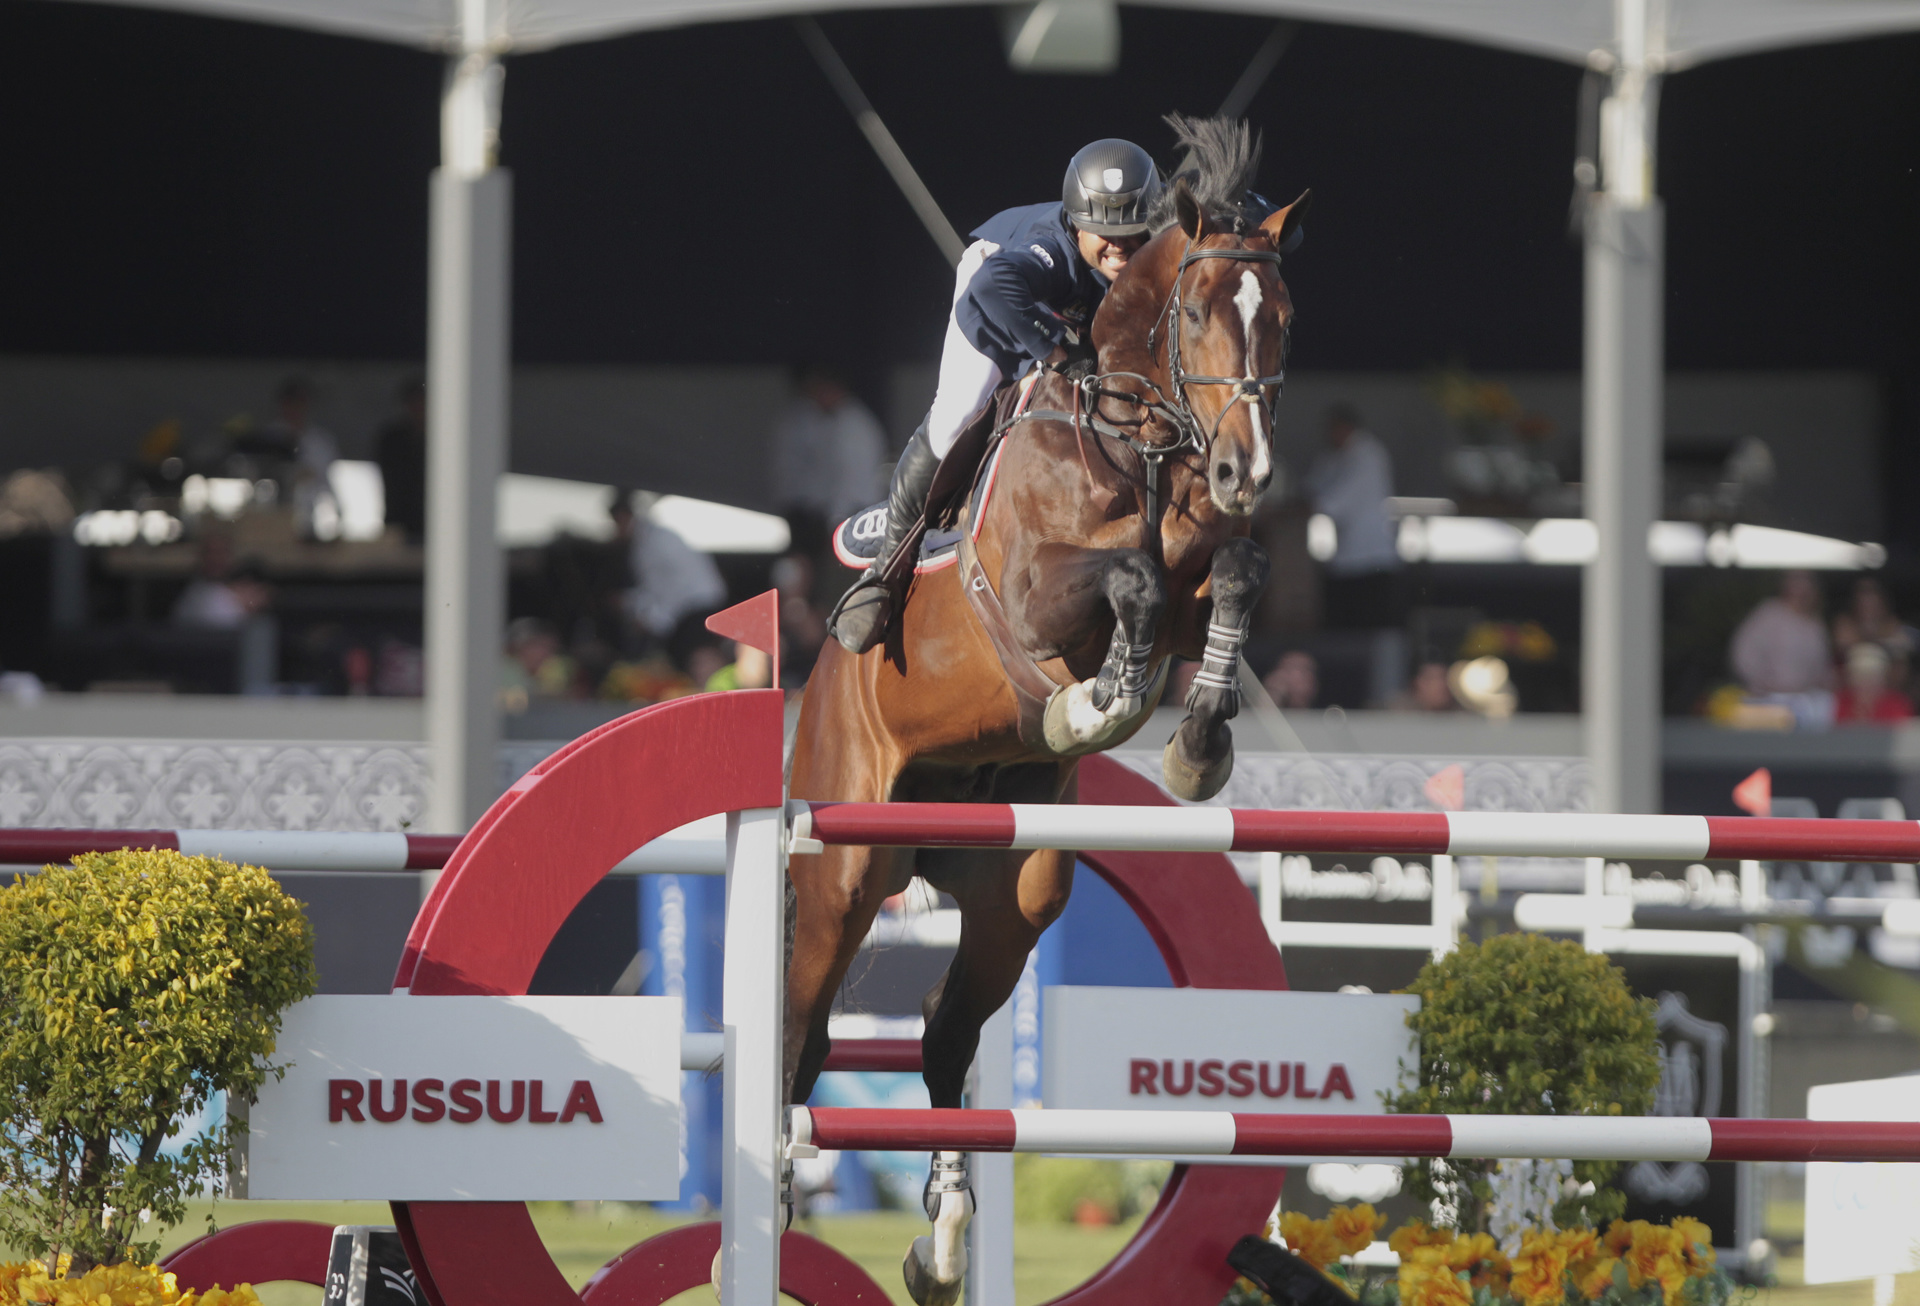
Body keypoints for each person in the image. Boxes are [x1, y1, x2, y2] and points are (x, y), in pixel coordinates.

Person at [829, 138, 1164, 654]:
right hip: (1000, 292)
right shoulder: (1049, 247)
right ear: (1076, 222)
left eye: (1130, 231)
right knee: (957, 415)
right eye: (1103, 233)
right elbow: (992, 286)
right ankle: (885, 567)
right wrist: (1053, 351)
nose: (1118, 244)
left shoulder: (1152, 242)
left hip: (1065, 310)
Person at [770, 365, 887, 557]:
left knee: (841, 572)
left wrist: (835, 522)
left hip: (852, 515)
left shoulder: (854, 425)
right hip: (824, 515)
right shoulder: (819, 419)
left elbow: (849, 477)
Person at [1305, 403, 1401, 629]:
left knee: (1368, 628)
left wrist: (1307, 506)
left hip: (1372, 558)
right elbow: (1313, 486)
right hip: (1346, 557)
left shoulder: (1368, 454)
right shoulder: (1335, 456)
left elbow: (1338, 501)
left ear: (1345, 427)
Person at [612, 494, 728, 649]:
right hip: (694, 609)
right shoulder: (648, 541)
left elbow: (669, 590)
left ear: (626, 517)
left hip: (696, 611)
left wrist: (651, 619)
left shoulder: (652, 545)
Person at [375, 376, 427, 545]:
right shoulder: (391, 439)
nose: (418, 408)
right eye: (414, 402)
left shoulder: (442, 441)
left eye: (422, 402)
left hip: (433, 524)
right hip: (398, 523)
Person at [1834, 641, 1913, 724]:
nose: (1866, 683)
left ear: (1883, 679)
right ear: (1851, 679)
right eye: (1860, 676)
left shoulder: (1897, 704)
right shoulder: (1838, 702)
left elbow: (1903, 732)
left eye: (1872, 677)